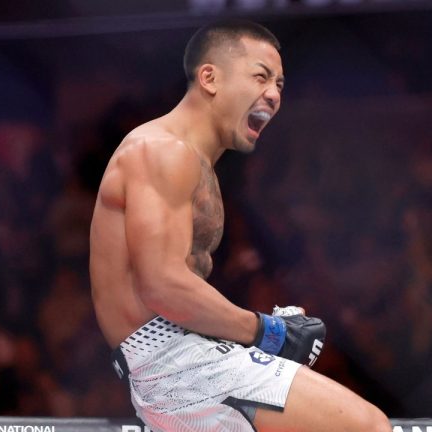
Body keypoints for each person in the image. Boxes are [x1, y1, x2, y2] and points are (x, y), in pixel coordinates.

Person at [89, 20, 391, 432]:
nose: (274, 93)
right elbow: (161, 284)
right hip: (172, 360)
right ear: (210, 78)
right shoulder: (163, 150)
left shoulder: (193, 161)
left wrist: (262, 329)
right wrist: (266, 331)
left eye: (281, 84)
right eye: (261, 76)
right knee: (367, 427)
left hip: (182, 355)